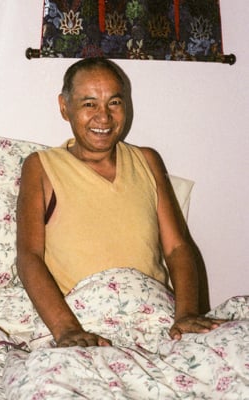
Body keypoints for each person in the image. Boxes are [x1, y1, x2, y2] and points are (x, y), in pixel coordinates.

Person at [16, 57, 224, 348]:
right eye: (89, 104)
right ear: (64, 107)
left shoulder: (147, 160)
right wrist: (67, 330)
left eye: (114, 102)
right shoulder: (42, 167)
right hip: (83, 321)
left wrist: (187, 313)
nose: (104, 117)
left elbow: (177, 247)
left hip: (157, 318)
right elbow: (29, 257)